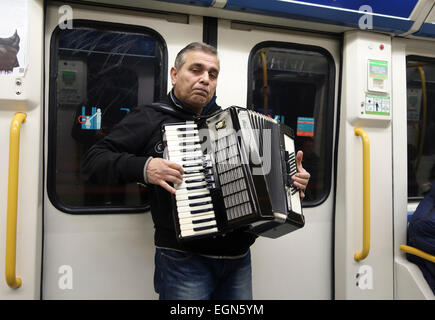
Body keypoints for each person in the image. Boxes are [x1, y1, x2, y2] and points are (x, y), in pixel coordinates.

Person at [81, 42, 310, 300]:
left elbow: (264, 181)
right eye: (196, 70)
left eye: (212, 74)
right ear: (175, 74)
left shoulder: (233, 124)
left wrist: (291, 183)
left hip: (238, 258)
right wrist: (145, 168)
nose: (205, 79)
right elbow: (93, 161)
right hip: (183, 260)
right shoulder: (150, 117)